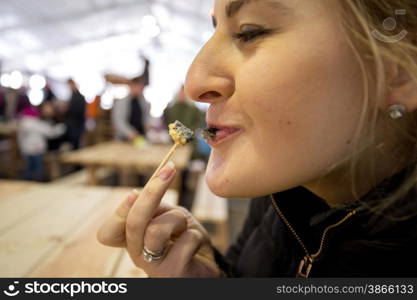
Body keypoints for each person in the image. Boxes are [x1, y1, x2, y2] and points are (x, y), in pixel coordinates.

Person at [97, 0, 417, 277]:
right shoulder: (278, 192)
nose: (194, 82)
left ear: (398, 69)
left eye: (250, 32)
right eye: (214, 29)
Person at [17, 103, 65, 181]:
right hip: (37, 149)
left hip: (27, 150)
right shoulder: (36, 124)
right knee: (38, 168)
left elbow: (20, 139)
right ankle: (37, 182)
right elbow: (50, 132)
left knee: (29, 168)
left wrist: (22, 150)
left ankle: (27, 183)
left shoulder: (23, 124)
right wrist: (61, 129)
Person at [112, 59, 151, 142]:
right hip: (125, 139)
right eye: (137, 86)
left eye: (141, 86)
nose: (140, 89)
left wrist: (148, 124)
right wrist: (130, 133)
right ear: (131, 86)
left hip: (141, 138)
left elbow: (147, 116)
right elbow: (118, 121)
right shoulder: (121, 102)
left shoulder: (144, 102)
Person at [65, 79, 86, 150]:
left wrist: (67, 109)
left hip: (77, 124)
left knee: (76, 144)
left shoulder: (79, 97)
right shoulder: (72, 96)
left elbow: (79, 111)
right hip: (73, 124)